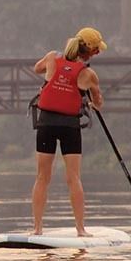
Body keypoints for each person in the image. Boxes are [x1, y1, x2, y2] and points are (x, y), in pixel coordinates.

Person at [31, 27, 106, 237]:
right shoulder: (89, 74)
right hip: (69, 127)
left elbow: (37, 68)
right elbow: (98, 103)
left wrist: (52, 76)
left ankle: (37, 229)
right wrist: (90, 101)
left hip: (46, 124)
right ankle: (81, 230)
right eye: (97, 50)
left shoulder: (51, 58)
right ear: (90, 51)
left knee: (42, 177)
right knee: (73, 178)